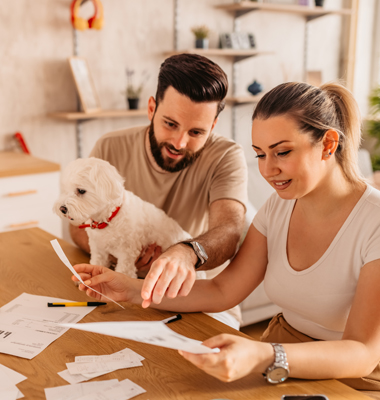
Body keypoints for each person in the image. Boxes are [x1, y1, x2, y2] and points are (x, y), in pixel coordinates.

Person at [72, 81, 380, 398]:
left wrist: (265, 355)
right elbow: (223, 289)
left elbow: (362, 352)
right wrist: (133, 289)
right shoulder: (279, 206)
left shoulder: (374, 222)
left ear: (329, 144)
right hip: (281, 357)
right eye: (260, 154)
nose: (269, 169)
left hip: (352, 379)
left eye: (282, 152)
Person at [70, 53, 248, 328]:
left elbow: (229, 230)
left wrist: (186, 253)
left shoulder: (226, 156)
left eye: (197, 132)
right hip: (119, 288)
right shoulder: (109, 148)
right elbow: (78, 224)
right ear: (152, 108)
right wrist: (120, 250)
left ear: (213, 127)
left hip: (197, 298)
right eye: (171, 124)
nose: (179, 142)